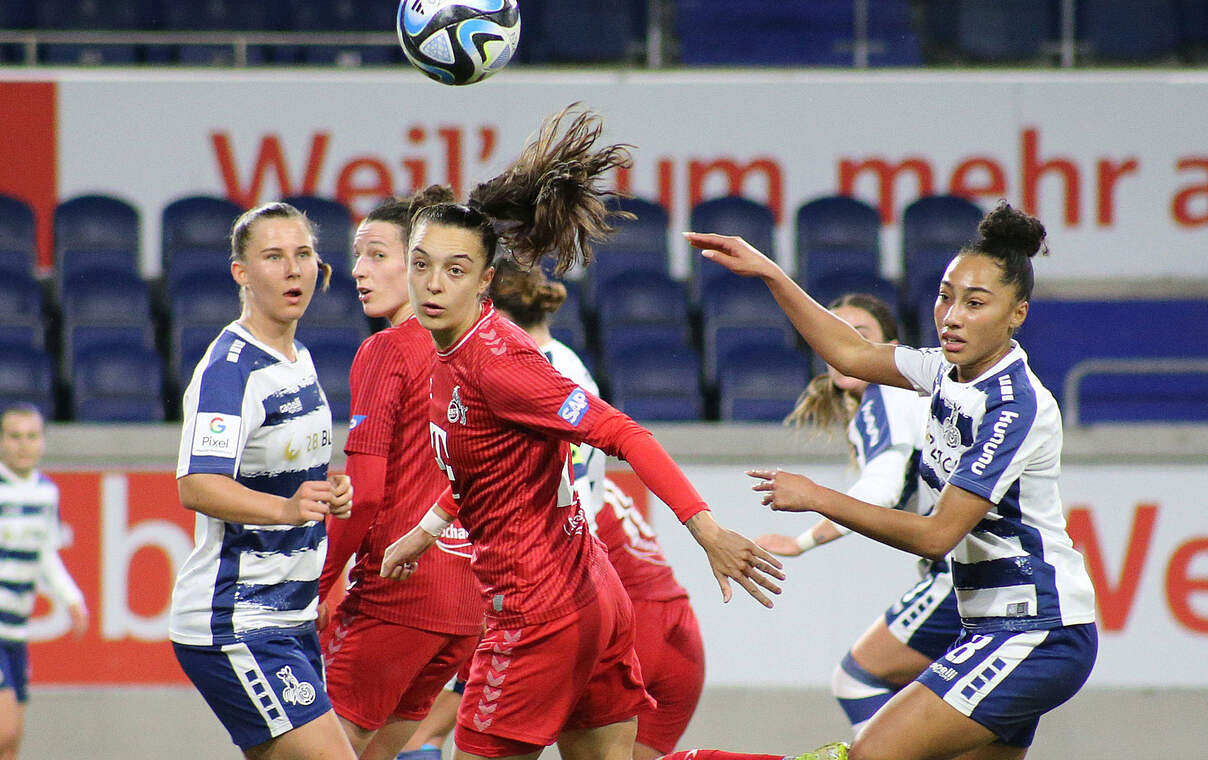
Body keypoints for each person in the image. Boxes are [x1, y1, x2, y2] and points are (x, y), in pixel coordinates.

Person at [378, 104, 784, 760]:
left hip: (537, 614)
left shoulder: (500, 363)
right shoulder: (446, 354)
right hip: (592, 599)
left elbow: (625, 432)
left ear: (486, 281)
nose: (431, 283)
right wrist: (423, 535)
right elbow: (483, 467)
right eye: (421, 263)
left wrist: (706, 529)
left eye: (454, 270)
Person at [674, 201, 1097, 760]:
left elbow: (935, 536)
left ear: (1017, 314)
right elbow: (848, 350)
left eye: (976, 303)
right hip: (990, 624)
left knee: (869, 751)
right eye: (946, 296)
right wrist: (772, 274)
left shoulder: (1015, 407)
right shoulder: (943, 370)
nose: (951, 315)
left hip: (1038, 630)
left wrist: (819, 498)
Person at [493, 262, 706, 759]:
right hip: (658, 620)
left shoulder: (523, 374)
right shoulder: (567, 362)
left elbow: (568, 492)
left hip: (592, 600)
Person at [169, 201, 357, 760]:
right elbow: (197, 485)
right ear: (241, 274)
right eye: (273, 257)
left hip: (291, 615)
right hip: (237, 620)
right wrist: (287, 509)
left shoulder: (297, 358)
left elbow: (289, 477)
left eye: (302, 255)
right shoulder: (230, 370)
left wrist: (327, 493)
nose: (293, 269)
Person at [318, 197, 483, 760]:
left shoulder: (387, 351)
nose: (358, 270)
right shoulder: (479, 348)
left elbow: (362, 498)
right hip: (467, 604)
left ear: (418, 265)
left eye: (377, 254)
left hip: (400, 593)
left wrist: (318, 584)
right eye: (357, 256)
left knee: (315, 750)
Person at [757, 293, 954, 739]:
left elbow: (880, 490)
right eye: (834, 334)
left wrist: (803, 539)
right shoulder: (913, 397)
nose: (842, 345)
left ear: (889, 349)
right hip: (992, 572)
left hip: (959, 576)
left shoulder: (885, 393)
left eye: (859, 335)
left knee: (856, 678)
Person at [0, 403, 88, 760]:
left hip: (17, 629)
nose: (24, 445)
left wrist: (72, 599)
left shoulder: (46, 493)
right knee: (4, 727)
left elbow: (46, 554)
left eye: (32, 436)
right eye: (15, 436)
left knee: (12, 738)